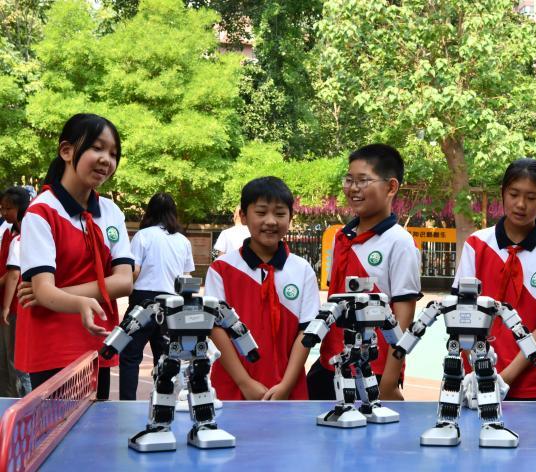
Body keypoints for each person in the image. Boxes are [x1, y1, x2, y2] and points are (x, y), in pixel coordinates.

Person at [16, 113, 134, 400]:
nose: (106, 159)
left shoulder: (111, 212)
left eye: (113, 153)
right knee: (54, 428)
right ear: (67, 151)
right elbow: (44, 290)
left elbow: (124, 282)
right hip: (51, 347)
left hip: (97, 342)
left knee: (96, 425)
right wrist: (50, 294)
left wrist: (56, 294)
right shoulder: (41, 212)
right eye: (97, 147)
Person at [306, 144, 422, 401]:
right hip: (331, 363)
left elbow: (403, 317)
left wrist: (389, 381)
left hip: (374, 370)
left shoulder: (400, 242)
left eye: (363, 180)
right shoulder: (341, 236)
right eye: (349, 180)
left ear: (391, 187)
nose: (353, 188)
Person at [452, 158, 536, 401]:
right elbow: (462, 314)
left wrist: (504, 379)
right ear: (502, 193)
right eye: (514, 194)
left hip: (532, 386)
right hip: (475, 381)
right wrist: (482, 374)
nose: (521, 204)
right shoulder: (477, 244)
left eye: (531, 197)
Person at [206, 176, 319, 400]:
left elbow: (307, 331)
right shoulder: (222, 269)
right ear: (243, 216)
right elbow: (215, 329)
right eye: (261, 212)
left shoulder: (302, 269)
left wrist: (286, 385)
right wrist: (244, 382)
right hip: (233, 386)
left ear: (290, 218)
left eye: (280, 213)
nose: (271, 221)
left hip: (287, 388)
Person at [119, 192, 194, 400]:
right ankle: (163, 402)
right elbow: (186, 276)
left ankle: (127, 402)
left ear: (149, 212)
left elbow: (134, 271)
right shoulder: (183, 241)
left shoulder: (142, 236)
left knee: (129, 355)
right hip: (171, 303)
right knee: (165, 359)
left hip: (142, 302)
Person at [0, 187, 32, 396]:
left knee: (17, 360)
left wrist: (5, 307)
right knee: (6, 358)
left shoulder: (25, 236)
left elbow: (13, 275)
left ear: (21, 208)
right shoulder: (8, 232)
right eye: (2, 208)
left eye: (8, 208)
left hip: (17, 305)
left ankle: (23, 401)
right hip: (10, 303)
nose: (4, 212)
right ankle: (6, 399)